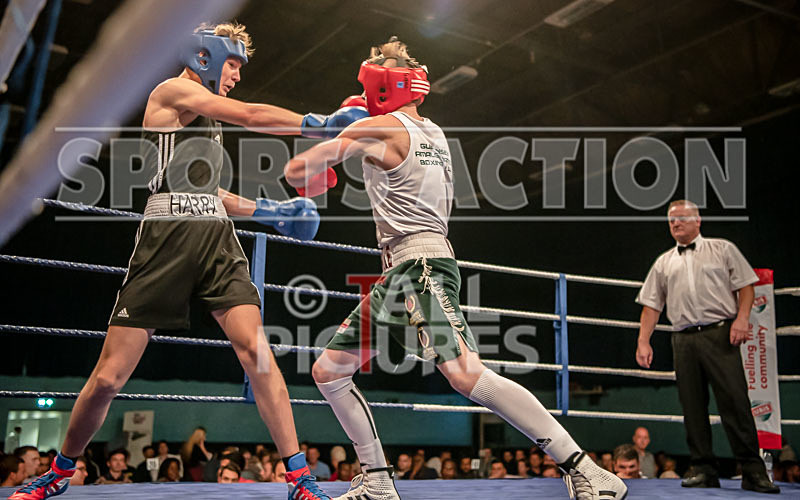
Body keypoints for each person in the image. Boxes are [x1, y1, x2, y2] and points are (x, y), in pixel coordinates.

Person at [7, 21, 368, 500]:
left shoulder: (208, 121)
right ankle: (58, 472)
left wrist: (272, 211)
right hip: (166, 239)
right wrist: (317, 124)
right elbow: (251, 114)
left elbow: (210, 193)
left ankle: (300, 479)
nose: (237, 74)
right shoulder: (174, 91)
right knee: (110, 376)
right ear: (206, 55)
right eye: (234, 63)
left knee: (257, 355)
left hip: (215, 239)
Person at [292, 35, 627, 500]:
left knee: (466, 373)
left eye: (371, 71)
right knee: (330, 369)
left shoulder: (380, 127)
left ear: (383, 85)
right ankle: (377, 481)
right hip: (405, 270)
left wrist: (332, 132)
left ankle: (586, 468)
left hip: (419, 266)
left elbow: (298, 173)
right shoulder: (434, 132)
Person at [635, 200, 779, 494]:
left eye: (682, 218)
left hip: (720, 333)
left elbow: (746, 286)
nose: (675, 224)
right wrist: (643, 340)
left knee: (736, 403)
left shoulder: (722, 248)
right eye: (671, 220)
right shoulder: (664, 262)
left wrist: (742, 320)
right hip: (682, 339)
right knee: (692, 406)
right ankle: (703, 469)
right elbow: (651, 305)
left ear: (697, 220)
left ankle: (753, 471)